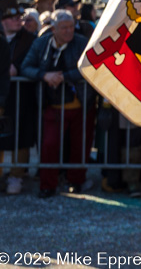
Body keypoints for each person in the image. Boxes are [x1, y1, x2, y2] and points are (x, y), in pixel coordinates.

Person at [20, 10, 91, 198]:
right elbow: (26, 67)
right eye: (64, 28)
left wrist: (64, 77)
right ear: (53, 29)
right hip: (52, 105)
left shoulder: (82, 42)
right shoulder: (41, 43)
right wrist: (44, 75)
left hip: (81, 105)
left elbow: (89, 65)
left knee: (80, 147)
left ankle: (76, 181)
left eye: (71, 27)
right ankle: (47, 185)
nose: (69, 31)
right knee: (49, 145)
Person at [1, 0, 38, 195]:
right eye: (12, 17)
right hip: (2, 94)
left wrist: (19, 70)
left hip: (22, 96)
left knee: (21, 135)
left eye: (19, 17)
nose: (18, 20)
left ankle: (16, 176)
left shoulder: (30, 40)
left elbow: (33, 62)